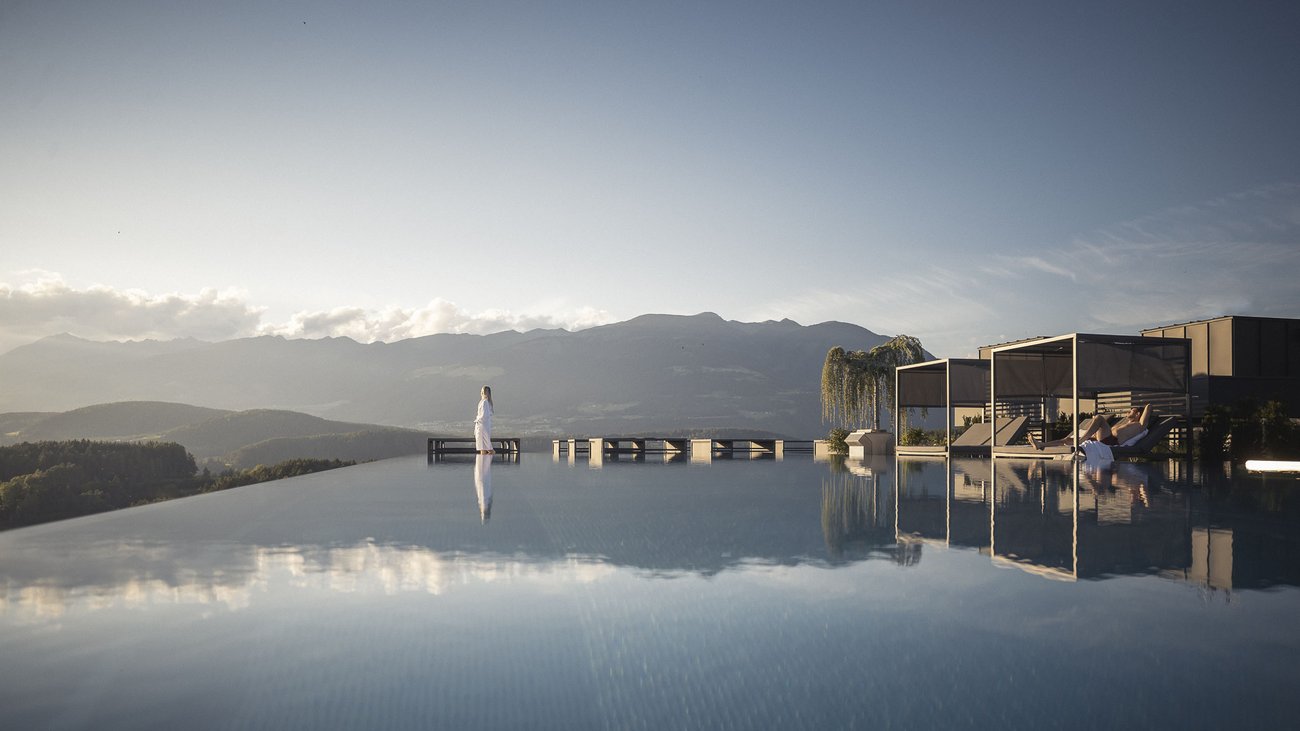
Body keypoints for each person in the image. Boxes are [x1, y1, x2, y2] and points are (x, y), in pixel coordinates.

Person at [1029, 404, 1152, 450]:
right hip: (1101, 438)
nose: (1128, 412)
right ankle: (1041, 445)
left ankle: (1080, 440)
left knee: (1099, 418)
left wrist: (1142, 409)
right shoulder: (1125, 423)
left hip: (1110, 442)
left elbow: (1149, 406)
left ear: (1138, 414)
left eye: (1132, 410)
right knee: (1066, 440)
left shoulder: (1139, 425)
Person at [474, 385, 494, 455]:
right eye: (482, 391)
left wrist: (478, 420)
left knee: (486, 445)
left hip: (482, 425)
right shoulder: (484, 402)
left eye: (484, 391)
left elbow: (484, 415)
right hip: (482, 425)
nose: (483, 393)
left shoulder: (485, 402)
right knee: (482, 446)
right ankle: (483, 460)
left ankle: (487, 459)